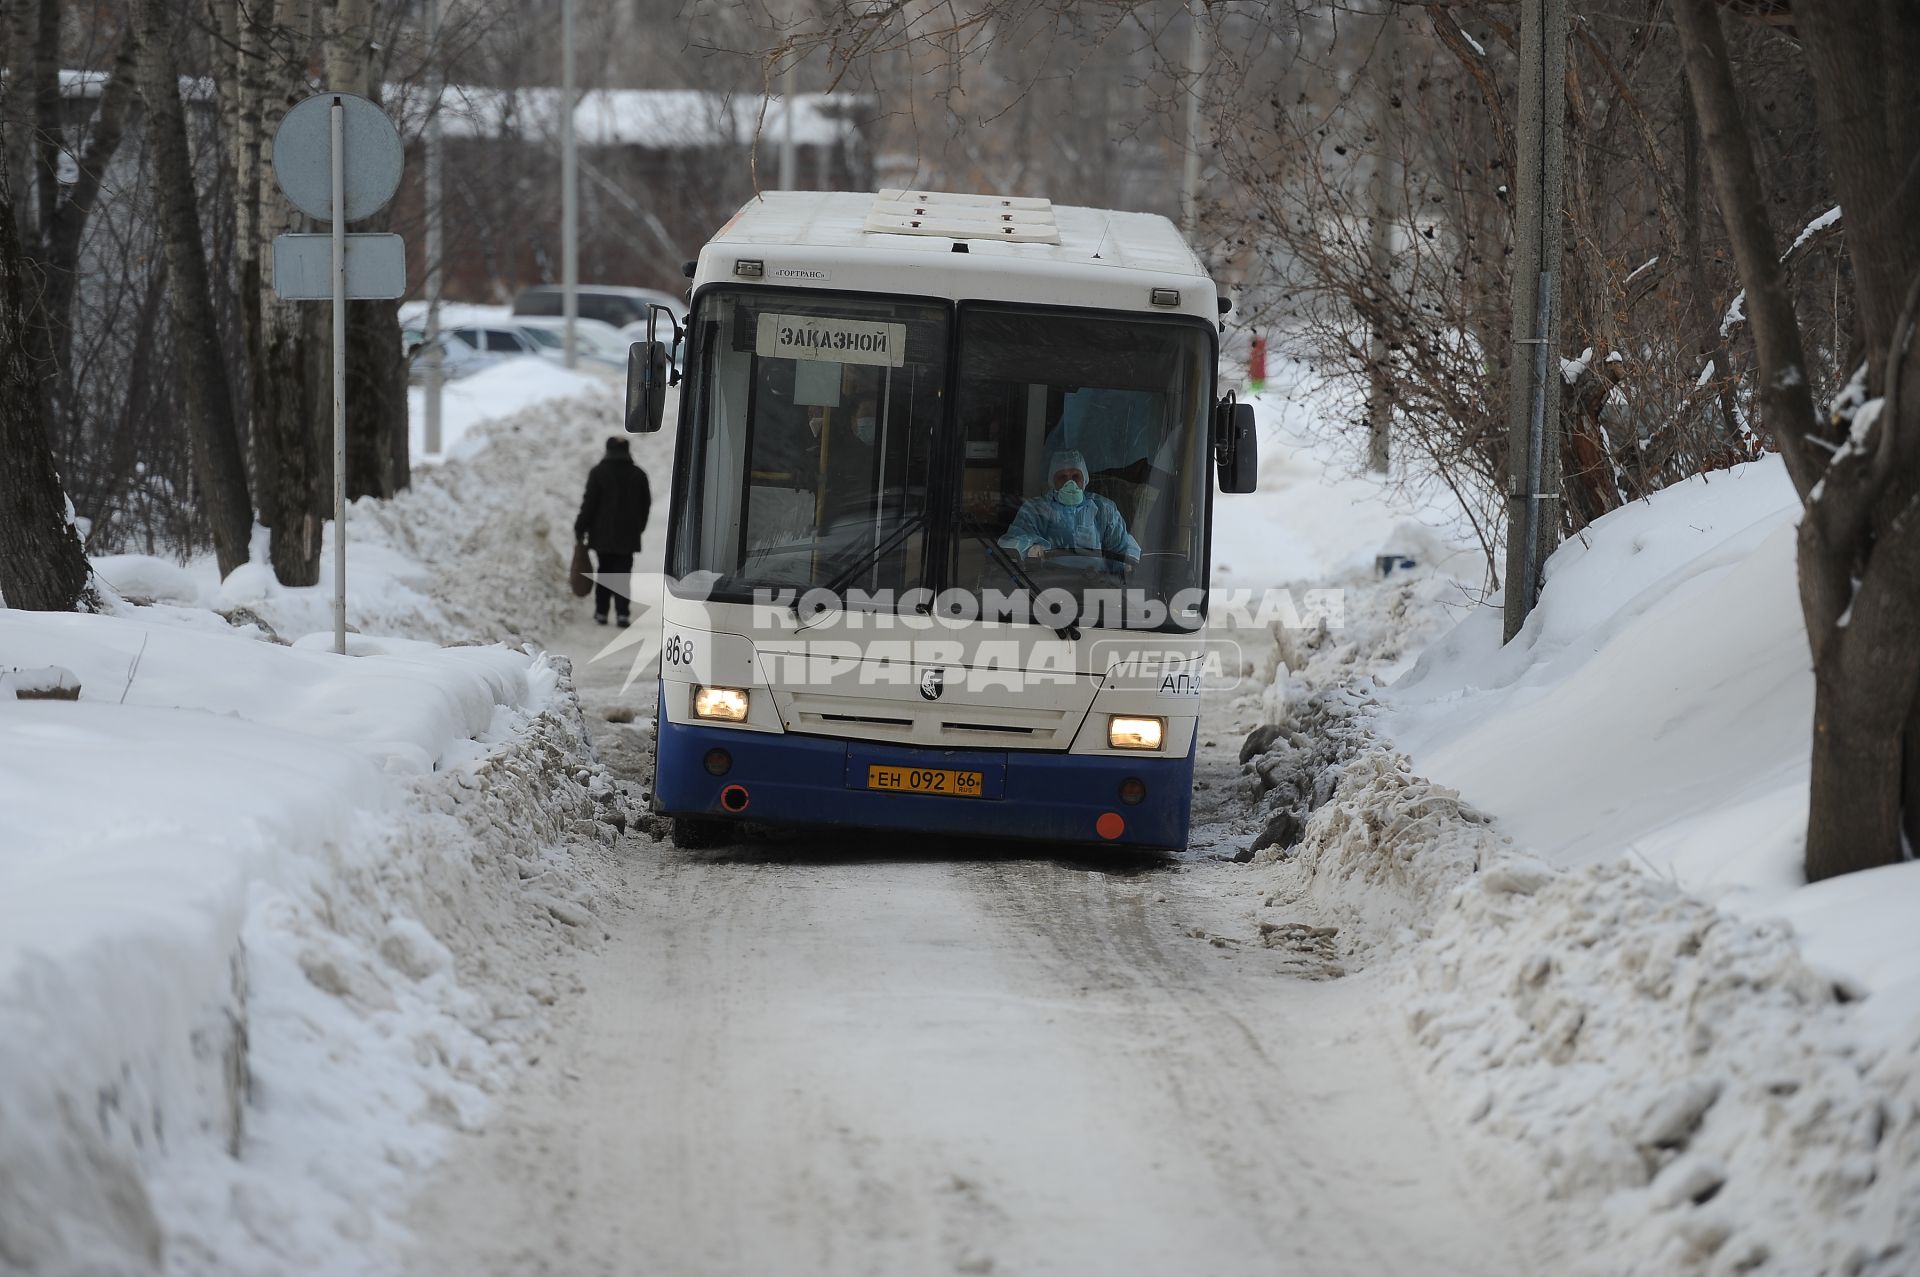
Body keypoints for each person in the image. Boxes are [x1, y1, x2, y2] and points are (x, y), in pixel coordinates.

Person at [997, 449, 1140, 571]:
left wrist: (1127, 563)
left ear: (1084, 479)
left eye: (1075, 476)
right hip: (1045, 587)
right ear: (1052, 481)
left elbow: (1122, 546)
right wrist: (1029, 548)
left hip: (1096, 586)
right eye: (1062, 477)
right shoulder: (1036, 509)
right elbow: (1012, 541)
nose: (1069, 483)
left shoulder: (1104, 508)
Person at [575, 436, 651, 626]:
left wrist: (580, 526)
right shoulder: (638, 474)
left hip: (602, 535)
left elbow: (589, 503)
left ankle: (601, 612)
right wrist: (638, 527)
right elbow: (645, 505)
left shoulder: (598, 473)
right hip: (628, 535)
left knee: (605, 571)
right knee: (623, 574)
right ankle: (622, 614)